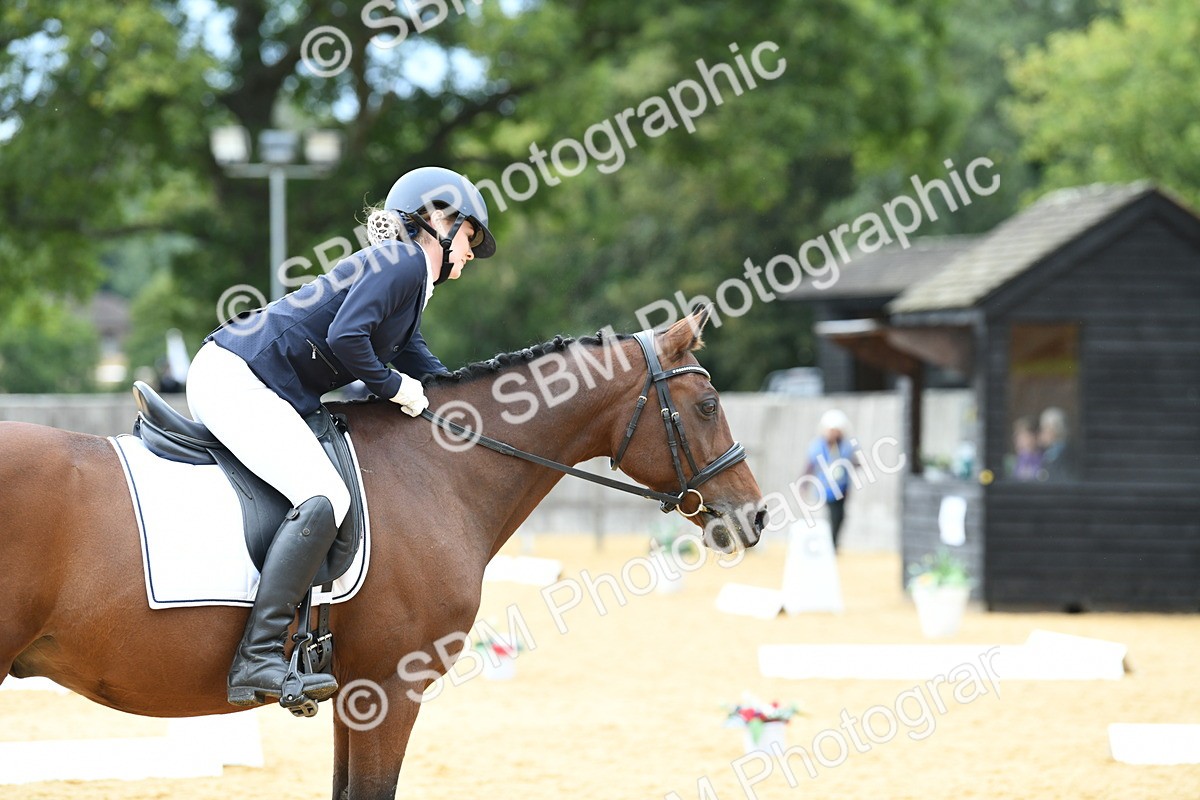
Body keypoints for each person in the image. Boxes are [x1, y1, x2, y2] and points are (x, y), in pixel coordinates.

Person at [185, 166, 497, 708]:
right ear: (439, 220)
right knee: (326, 496)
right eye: (470, 237)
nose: (470, 253)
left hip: (255, 380)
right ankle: (258, 657)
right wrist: (397, 389)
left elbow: (419, 362)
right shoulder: (403, 263)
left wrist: (463, 408)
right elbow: (347, 338)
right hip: (237, 378)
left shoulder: (406, 278)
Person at [802, 409, 861, 552]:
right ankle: (828, 545)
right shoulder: (817, 446)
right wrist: (804, 484)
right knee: (829, 518)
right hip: (824, 489)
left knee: (839, 517)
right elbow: (809, 466)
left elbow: (856, 462)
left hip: (842, 489)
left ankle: (833, 544)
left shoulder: (847, 446)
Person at [1037, 406, 1074, 481]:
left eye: (1044, 428)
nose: (1041, 433)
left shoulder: (1067, 455)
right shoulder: (1048, 454)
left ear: (1055, 430)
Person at [1009, 416, 1042, 481]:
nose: (1017, 440)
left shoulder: (1046, 460)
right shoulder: (1015, 461)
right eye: (1016, 435)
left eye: (1022, 435)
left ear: (1034, 437)